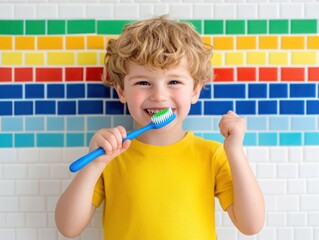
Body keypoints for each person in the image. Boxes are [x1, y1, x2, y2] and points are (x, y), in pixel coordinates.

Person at [55, 15, 265, 239]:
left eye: (174, 82)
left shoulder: (212, 155)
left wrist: (234, 151)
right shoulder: (110, 156)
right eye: (143, 82)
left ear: (195, 90)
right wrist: (94, 165)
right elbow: (68, 228)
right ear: (121, 91)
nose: (159, 95)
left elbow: (251, 225)